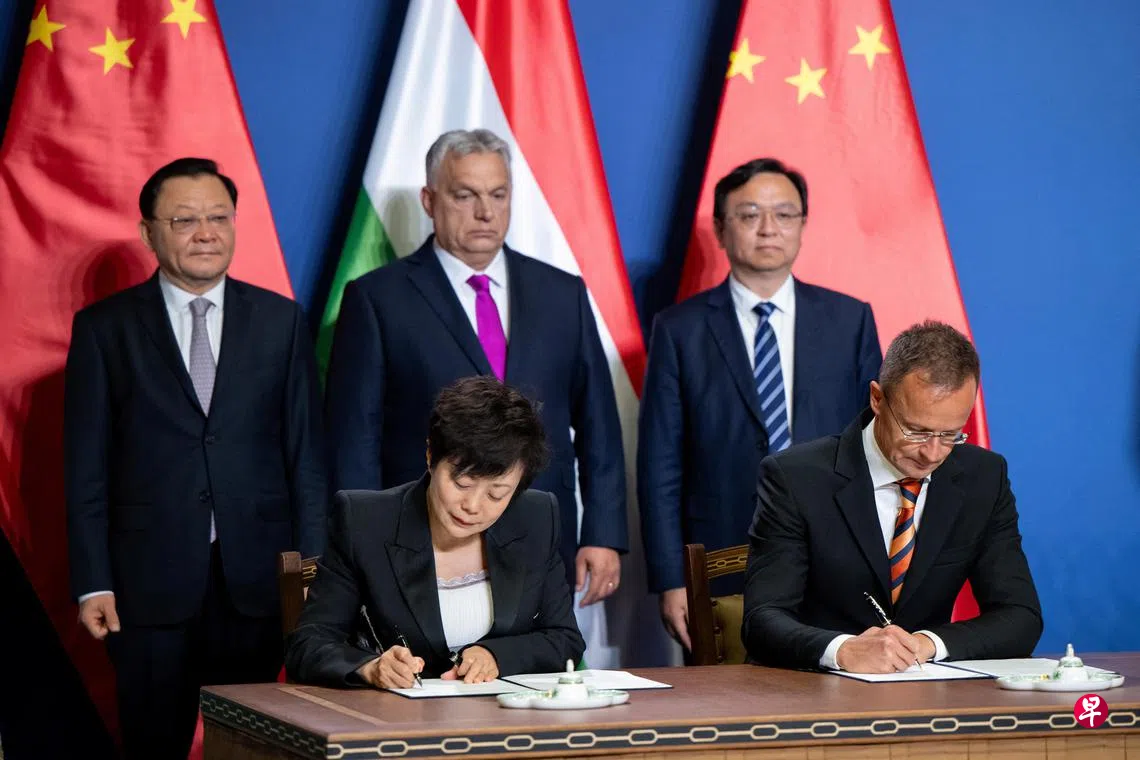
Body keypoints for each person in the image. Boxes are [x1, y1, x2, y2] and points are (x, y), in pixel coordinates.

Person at [65, 157, 326, 758]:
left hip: (258, 584)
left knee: (255, 748)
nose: (206, 233)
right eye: (185, 220)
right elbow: (85, 469)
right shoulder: (105, 329)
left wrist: (312, 574)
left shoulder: (281, 321)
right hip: (146, 587)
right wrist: (92, 582)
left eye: (219, 218)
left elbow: (307, 457)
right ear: (148, 233)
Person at [325, 128, 626, 608]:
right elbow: (355, 439)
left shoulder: (561, 292)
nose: (486, 212)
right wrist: (366, 547)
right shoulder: (377, 299)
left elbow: (599, 427)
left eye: (498, 195)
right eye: (465, 195)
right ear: (429, 200)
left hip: (543, 539)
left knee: (542, 656)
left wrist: (603, 533)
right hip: (423, 543)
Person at [639, 157, 882, 650]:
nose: (768, 228)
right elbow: (660, 463)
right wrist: (670, 578)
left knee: (839, 687)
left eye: (784, 214)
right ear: (720, 229)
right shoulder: (680, 330)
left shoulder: (849, 320)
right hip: (719, 557)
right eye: (749, 214)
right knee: (726, 692)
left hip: (836, 557)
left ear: (803, 224)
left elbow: (873, 444)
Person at [742, 321, 1042, 673]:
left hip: (926, 687)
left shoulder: (984, 477)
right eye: (916, 431)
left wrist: (926, 644)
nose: (932, 454)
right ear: (878, 398)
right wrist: (843, 651)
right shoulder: (795, 477)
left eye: (950, 434)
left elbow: (1020, 617)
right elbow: (762, 620)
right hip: (811, 687)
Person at [287, 376, 584, 687]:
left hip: (499, 711)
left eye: (496, 494)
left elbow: (564, 638)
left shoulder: (536, 517)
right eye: (462, 483)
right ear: (431, 456)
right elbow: (308, 643)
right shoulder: (365, 521)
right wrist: (370, 667)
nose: (472, 506)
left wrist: (496, 655)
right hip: (394, 712)